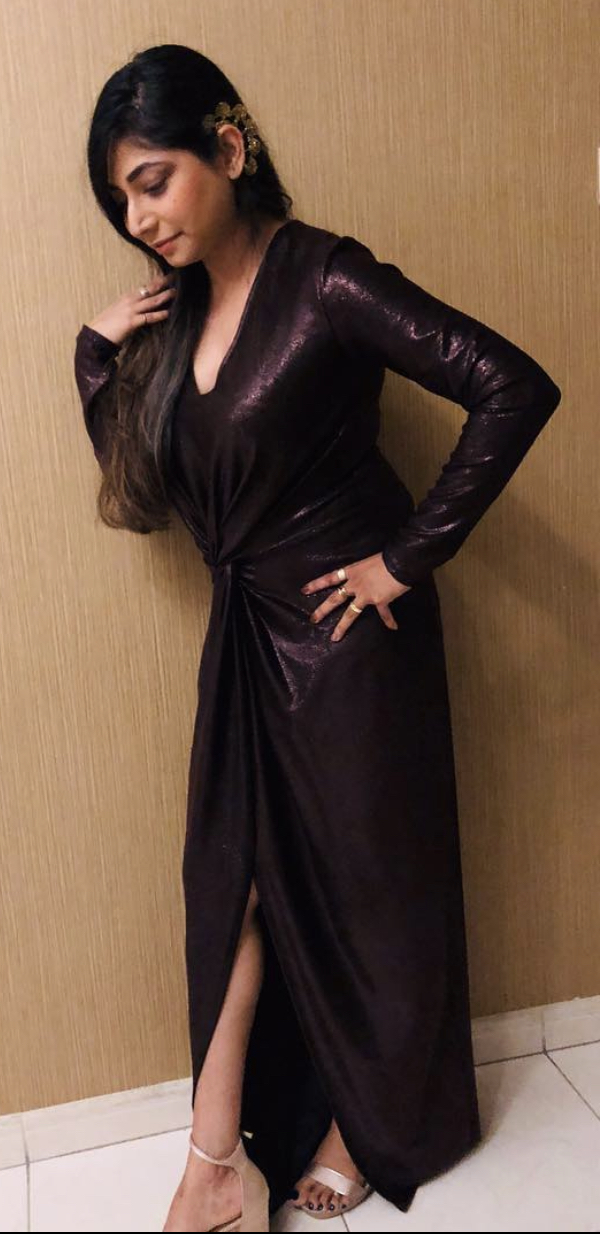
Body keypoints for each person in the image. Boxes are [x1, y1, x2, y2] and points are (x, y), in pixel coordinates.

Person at [73, 43, 561, 1234]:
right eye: (121, 200)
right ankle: (216, 1156)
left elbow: (512, 385)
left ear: (229, 147)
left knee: (368, 894)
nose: (139, 220)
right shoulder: (178, 316)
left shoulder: (327, 278)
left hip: (352, 643)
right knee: (236, 886)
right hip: (247, 641)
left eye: (152, 181)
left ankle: (367, 1122)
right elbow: (153, 494)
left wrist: (407, 555)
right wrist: (95, 355)